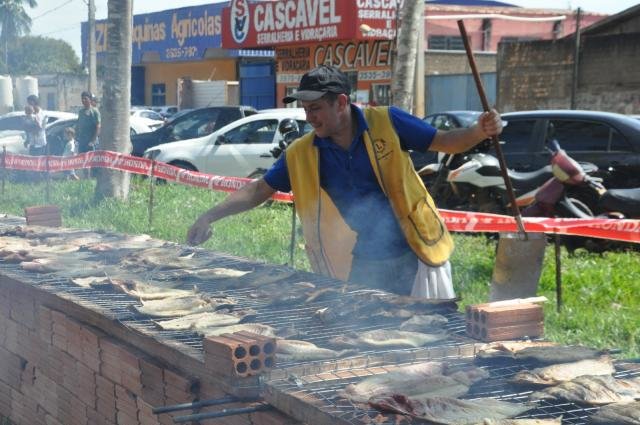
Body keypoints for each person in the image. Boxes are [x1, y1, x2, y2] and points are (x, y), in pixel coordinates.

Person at [187, 65, 503, 297]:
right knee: (365, 326)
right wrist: (209, 216)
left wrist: (479, 131)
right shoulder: (302, 152)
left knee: (426, 330)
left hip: (417, 248)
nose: (309, 117)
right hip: (367, 252)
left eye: (316, 108)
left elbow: (445, 141)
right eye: (305, 109)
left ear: (341, 103)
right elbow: (259, 189)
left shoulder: (387, 121)